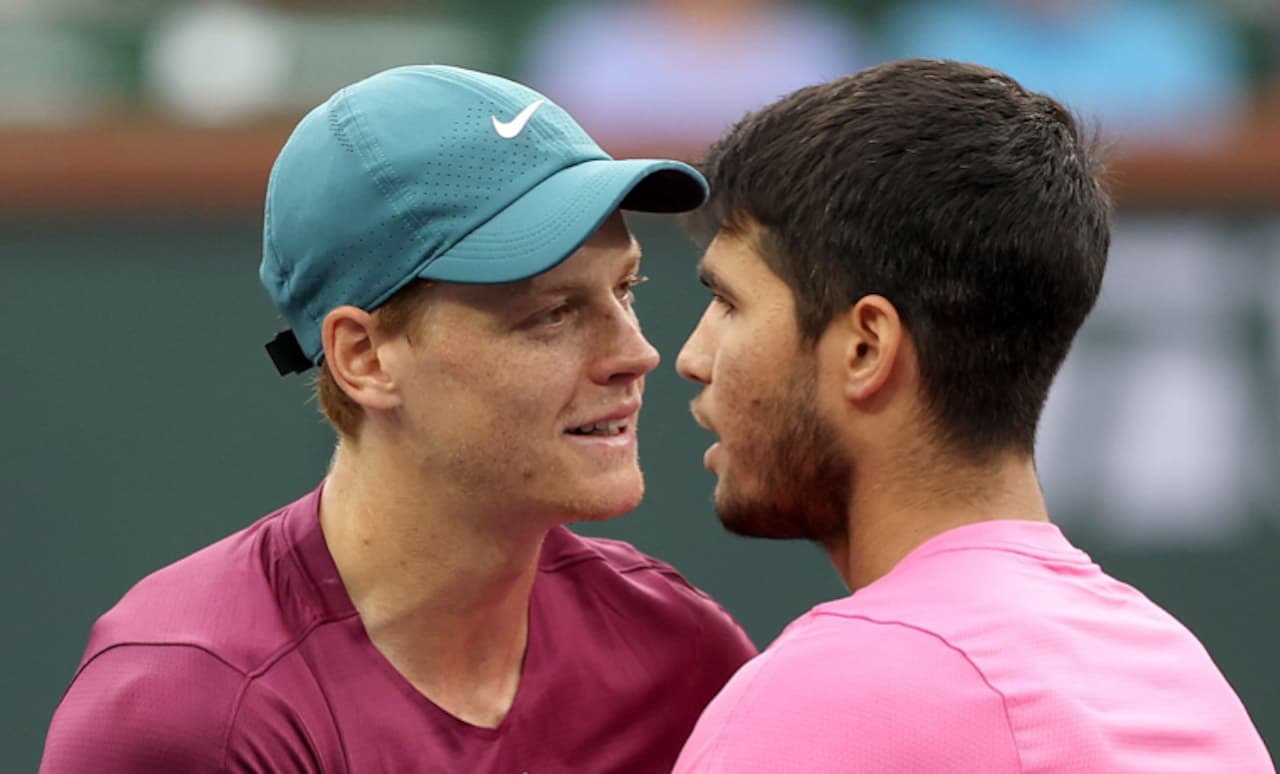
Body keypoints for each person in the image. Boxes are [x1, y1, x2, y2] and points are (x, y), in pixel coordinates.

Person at [39, 65, 757, 773]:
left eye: (626, 289)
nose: (638, 353)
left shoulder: (681, 651)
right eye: (552, 314)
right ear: (364, 357)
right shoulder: (191, 711)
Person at [671, 59, 1275, 772]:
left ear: (866, 347)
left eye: (731, 304)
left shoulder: (816, 701)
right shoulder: (1181, 677)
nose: (693, 356)